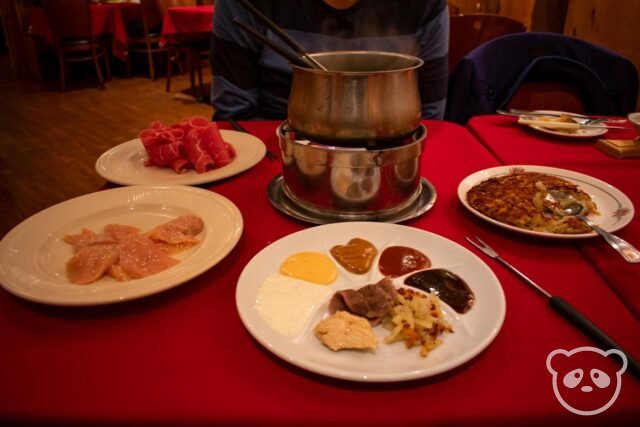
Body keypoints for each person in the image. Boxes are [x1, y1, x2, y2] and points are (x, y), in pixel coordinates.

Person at [210, 0, 449, 120]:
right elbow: (236, 117)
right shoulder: (244, 4)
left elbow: (430, 116)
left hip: (391, 149)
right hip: (276, 147)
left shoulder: (424, 3)